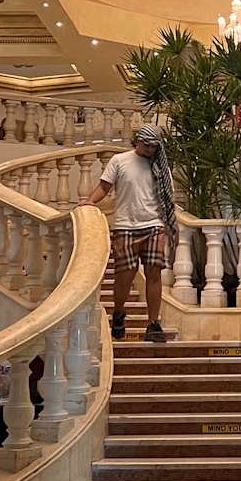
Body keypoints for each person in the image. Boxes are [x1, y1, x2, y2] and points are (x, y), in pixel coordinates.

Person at [81, 126, 178, 343]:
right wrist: (89, 202)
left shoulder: (160, 166)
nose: (150, 150)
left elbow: (167, 196)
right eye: (147, 145)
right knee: (125, 275)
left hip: (154, 224)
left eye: (154, 146)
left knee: (154, 273)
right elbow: (104, 187)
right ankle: (118, 312)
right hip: (125, 226)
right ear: (138, 142)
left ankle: (153, 324)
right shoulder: (119, 161)